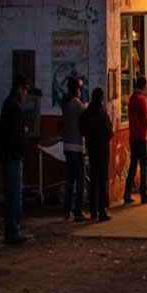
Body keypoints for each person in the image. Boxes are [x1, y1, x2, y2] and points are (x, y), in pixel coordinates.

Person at [0, 75, 29, 245]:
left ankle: (13, 230)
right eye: (24, 90)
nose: (25, 94)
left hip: (10, 156)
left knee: (13, 196)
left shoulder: (8, 105)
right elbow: (15, 135)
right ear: (18, 88)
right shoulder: (14, 108)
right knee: (14, 197)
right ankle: (12, 232)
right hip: (13, 157)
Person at [80, 87, 113, 222]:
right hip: (102, 149)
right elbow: (108, 130)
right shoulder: (101, 112)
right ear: (101, 98)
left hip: (91, 148)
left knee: (93, 179)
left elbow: (82, 128)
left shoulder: (87, 112)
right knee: (102, 179)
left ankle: (93, 210)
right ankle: (102, 210)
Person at [124, 76, 147, 205]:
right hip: (141, 137)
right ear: (144, 86)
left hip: (133, 136)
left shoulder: (131, 99)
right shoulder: (142, 99)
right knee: (144, 166)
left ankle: (127, 193)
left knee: (132, 165)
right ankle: (144, 193)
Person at [61, 75, 87, 222]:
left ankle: (66, 210)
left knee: (70, 179)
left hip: (67, 145)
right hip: (77, 146)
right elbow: (85, 112)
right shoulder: (77, 104)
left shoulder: (65, 103)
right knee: (80, 179)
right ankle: (78, 210)